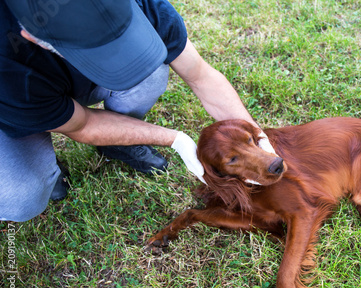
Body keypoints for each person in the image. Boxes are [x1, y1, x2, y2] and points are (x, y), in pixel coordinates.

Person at [0, 0, 276, 222]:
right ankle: (44, 162)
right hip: (11, 104)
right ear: (34, 37)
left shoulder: (141, 5)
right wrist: (173, 138)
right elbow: (82, 125)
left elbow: (200, 75)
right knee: (21, 196)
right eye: (99, 49)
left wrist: (260, 139)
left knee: (151, 71)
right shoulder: (7, 63)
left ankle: (118, 146)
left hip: (44, 87)